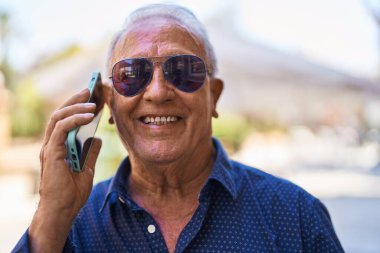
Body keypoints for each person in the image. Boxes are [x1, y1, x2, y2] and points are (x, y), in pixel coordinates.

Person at [13, 4, 344, 253]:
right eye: (131, 74)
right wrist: (51, 215)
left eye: (184, 70)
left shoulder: (296, 217)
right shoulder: (71, 227)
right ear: (110, 104)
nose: (157, 92)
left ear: (213, 97)